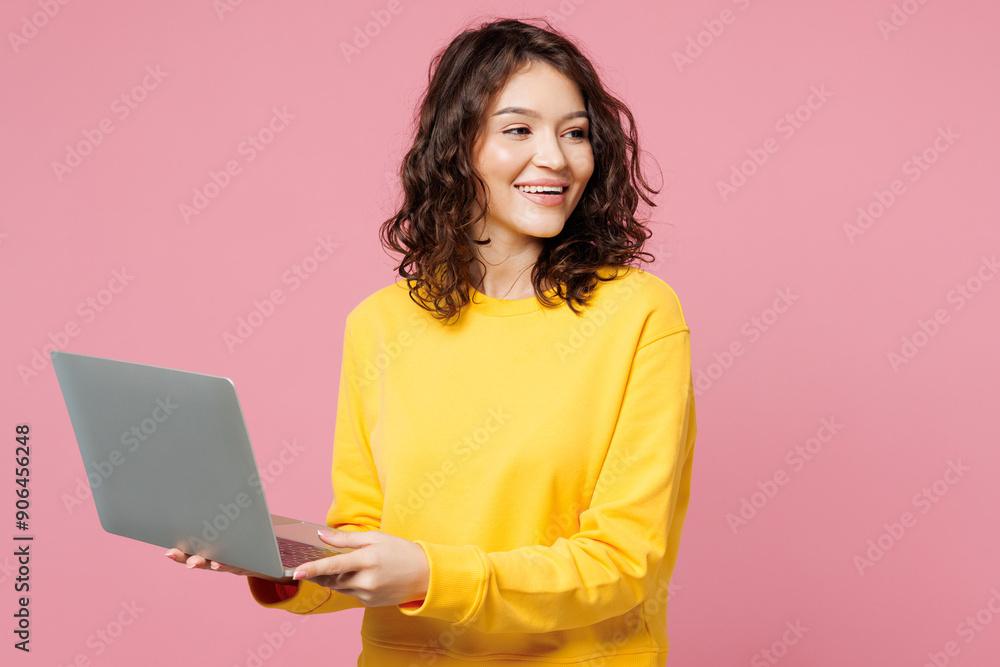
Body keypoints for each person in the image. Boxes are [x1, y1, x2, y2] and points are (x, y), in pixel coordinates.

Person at [167, 16, 697, 666]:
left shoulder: (639, 315)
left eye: (575, 132)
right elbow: (367, 536)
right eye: (519, 129)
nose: (556, 157)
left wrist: (428, 575)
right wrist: (269, 554)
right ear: (458, 145)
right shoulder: (379, 324)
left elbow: (622, 563)